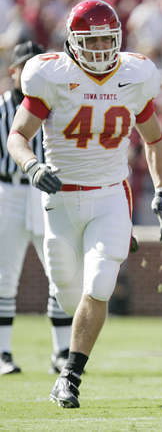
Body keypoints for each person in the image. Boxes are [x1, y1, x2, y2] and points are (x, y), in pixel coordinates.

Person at [7, 0, 162, 408]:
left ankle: (70, 376)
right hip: (60, 198)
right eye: (90, 40)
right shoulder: (52, 75)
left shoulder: (134, 75)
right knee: (67, 293)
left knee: (99, 286)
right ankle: (69, 354)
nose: (99, 48)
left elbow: (155, 140)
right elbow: (17, 136)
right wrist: (32, 166)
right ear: (72, 41)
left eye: (105, 39)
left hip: (110, 195)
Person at [0, 41, 73, 376]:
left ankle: (62, 352)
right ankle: (2, 352)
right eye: (25, 66)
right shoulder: (3, 107)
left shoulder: (58, 102)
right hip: (9, 190)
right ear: (13, 72)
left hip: (48, 191)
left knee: (60, 272)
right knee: (4, 276)